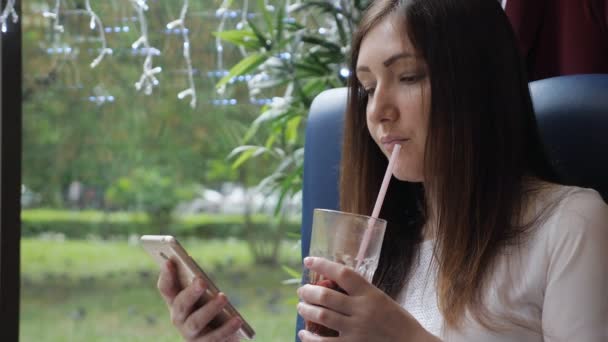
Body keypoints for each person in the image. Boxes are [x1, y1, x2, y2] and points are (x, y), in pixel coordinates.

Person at [156, 0, 608, 341]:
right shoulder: (376, 243)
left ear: (479, 86)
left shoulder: (570, 225)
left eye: (408, 77)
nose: (378, 111)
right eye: (368, 87)